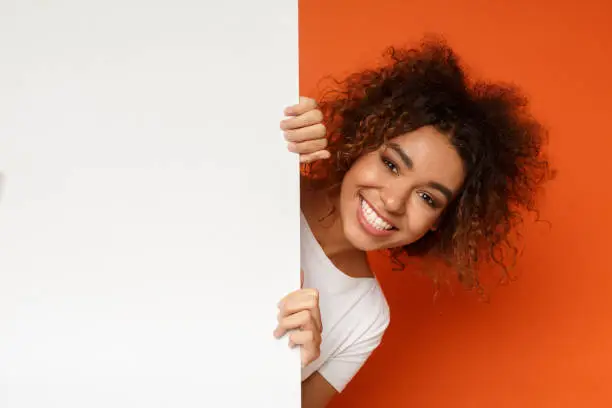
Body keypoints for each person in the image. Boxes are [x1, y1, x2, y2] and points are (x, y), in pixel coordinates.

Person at [273, 38, 552, 407]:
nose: (392, 201)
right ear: (362, 142)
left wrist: (279, 369)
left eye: (427, 198)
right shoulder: (272, 179)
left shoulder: (366, 319)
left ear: (441, 222)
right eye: (391, 164)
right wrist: (264, 133)